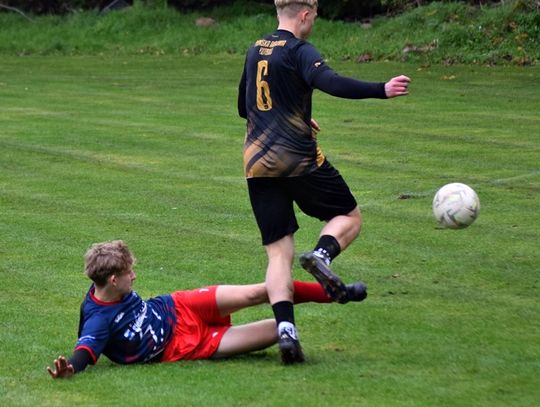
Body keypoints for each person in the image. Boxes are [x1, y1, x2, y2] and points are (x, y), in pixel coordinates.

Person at [237, 0, 410, 364]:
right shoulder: (300, 50)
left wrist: (295, 114)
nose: (314, 22)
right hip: (297, 160)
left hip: (256, 163)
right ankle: (321, 255)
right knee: (349, 216)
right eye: (314, 17)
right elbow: (330, 81)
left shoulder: (256, 49)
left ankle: (286, 331)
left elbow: (244, 106)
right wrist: (381, 89)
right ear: (305, 14)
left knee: (278, 254)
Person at [47, 240, 367, 378]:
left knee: (260, 291)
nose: (135, 276)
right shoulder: (99, 319)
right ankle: (325, 299)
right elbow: (85, 350)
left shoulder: (110, 288)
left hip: (179, 305)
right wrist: (70, 368)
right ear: (113, 280)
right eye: (129, 273)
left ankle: (336, 294)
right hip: (185, 345)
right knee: (279, 329)